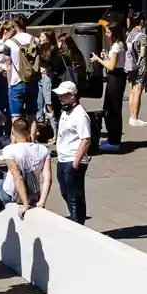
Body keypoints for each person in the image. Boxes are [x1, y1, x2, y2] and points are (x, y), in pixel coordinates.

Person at [0, 118, 54, 219]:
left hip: (11, 192)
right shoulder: (43, 150)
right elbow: (48, 177)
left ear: (13, 132)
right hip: (33, 193)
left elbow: (18, 178)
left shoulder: (9, 150)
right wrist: (42, 202)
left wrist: (25, 204)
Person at [53, 82, 93, 224]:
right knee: (65, 192)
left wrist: (76, 162)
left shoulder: (80, 115)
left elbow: (86, 140)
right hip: (63, 159)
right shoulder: (65, 111)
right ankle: (75, 217)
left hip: (73, 159)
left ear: (72, 96)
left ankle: (78, 221)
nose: (60, 98)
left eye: (63, 96)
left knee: (75, 194)